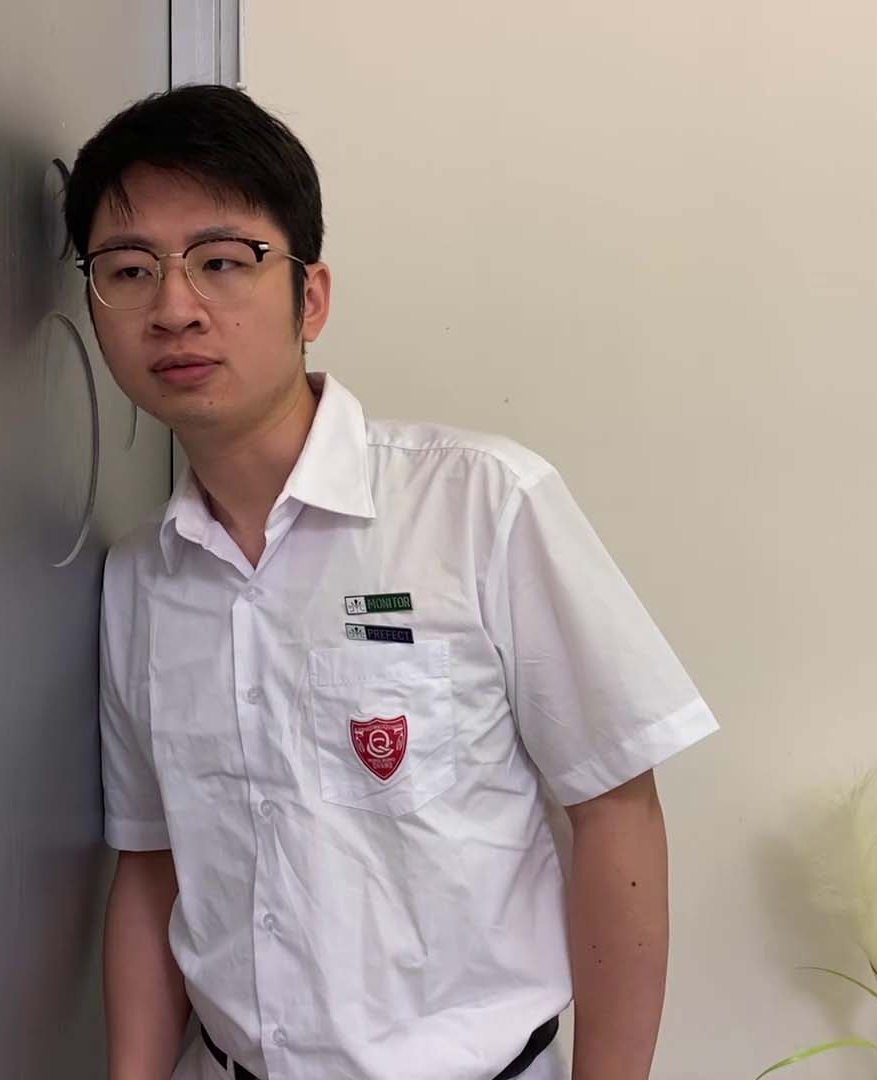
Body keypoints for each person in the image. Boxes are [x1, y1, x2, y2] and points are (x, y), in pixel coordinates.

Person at [66, 84, 719, 1080]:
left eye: (222, 260)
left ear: (311, 298)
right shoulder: (141, 579)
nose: (175, 308)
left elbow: (616, 812)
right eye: (129, 270)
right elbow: (154, 867)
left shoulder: (482, 504)